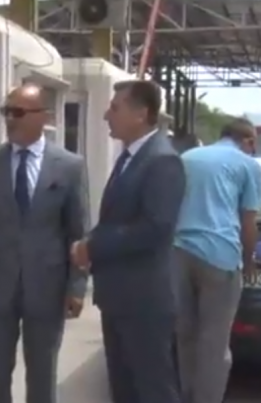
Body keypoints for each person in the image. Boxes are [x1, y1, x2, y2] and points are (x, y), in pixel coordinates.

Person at [0, 84, 89, 403]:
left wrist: (76, 287)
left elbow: (78, 233)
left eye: (17, 113)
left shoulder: (69, 166)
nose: (10, 120)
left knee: (42, 375)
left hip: (47, 288)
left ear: (43, 116)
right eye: (6, 112)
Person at [70, 79, 185, 403]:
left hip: (144, 301)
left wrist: (93, 246)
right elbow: (117, 219)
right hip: (120, 298)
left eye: (115, 108)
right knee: (125, 391)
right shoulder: (130, 158)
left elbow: (155, 228)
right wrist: (90, 240)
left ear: (141, 114)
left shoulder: (162, 160)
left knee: (153, 390)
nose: (107, 115)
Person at [173, 118, 261, 403]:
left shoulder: (187, 157)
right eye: (254, 144)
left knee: (184, 334)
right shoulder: (248, 165)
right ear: (247, 141)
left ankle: (186, 395)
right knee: (214, 342)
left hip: (178, 253)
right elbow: (248, 221)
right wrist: (249, 260)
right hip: (220, 256)